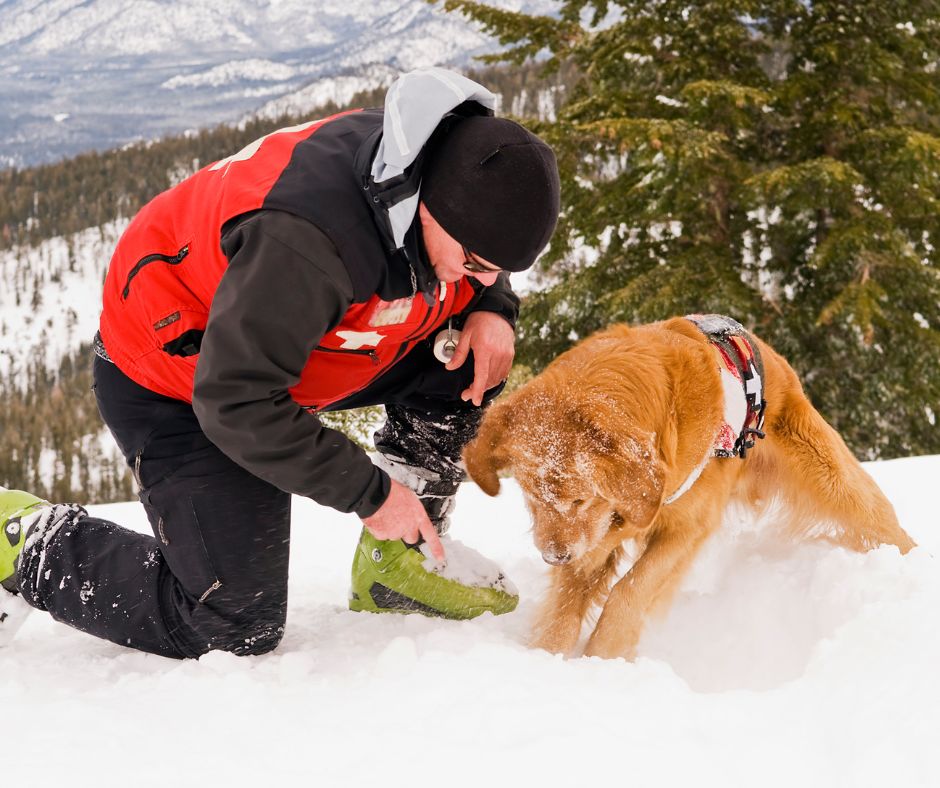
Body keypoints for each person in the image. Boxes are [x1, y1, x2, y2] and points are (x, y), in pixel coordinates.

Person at [0, 67, 561, 658]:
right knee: (235, 621)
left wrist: (493, 308)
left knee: (467, 361)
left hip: (297, 357)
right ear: (429, 207)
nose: (485, 278)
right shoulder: (306, 242)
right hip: (182, 383)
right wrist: (371, 494)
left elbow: (480, 271)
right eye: (474, 262)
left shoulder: (443, 173)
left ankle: (397, 564)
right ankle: (26, 539)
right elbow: (237, 401)